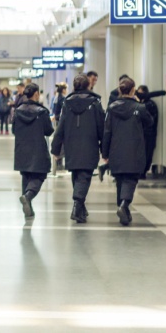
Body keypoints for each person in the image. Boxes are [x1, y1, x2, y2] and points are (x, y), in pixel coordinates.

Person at [51, 75, 104, 223]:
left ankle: (80, 208)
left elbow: (61, 126)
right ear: (88, 86)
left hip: (71, 144)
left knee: (77, 174)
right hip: (90, 143)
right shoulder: (95, 103)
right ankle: (76, 205)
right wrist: (104, 146)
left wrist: (56, 147)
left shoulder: (67, 103)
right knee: (85, 175)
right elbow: (101, 126)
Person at [102, 77, 153, 226]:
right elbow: (150, 122)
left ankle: (124, 210)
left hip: (116, 150)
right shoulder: (139, 108)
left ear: (119, 90)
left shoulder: (111, 108)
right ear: (133, 90)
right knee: (130, 180)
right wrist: (139, 102)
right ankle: (124, 205)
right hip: (134, 150)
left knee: (120, 180)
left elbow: (107, 132)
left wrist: (104, 153)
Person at [13, 83, 54, 219]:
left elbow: (14, 130)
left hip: (21, 147)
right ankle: (28, 196)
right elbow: (48, 131)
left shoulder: (18, 110)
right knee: (39, 175)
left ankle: (28, 208)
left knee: (26, 175)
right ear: (36, 94)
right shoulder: (42, 111)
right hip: (37, 148)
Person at [136, 85, 166, 179]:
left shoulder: (148, 105)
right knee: (145, 153)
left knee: (146, 153)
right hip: (146, 133)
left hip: (148, 134)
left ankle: (142, 172)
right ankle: (141, 171)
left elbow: (148, 121)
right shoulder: (146, 104)